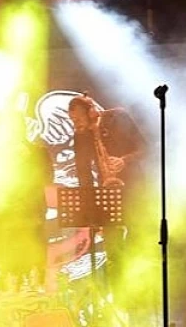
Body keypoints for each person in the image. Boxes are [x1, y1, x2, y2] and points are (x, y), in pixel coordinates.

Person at [67, 94, 145, 316]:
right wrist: (91, 210)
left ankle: (140, 297)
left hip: (134, 190)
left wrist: (124, 160)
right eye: (73, 121)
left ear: (91, 111)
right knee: (114, 253)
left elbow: (145, 148)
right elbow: (83, 174)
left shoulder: (118, 117)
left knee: (138, 247)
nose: (76, 124)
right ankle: (121, 302)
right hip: (109, 193)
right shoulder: (81, 134)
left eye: (78, 119)